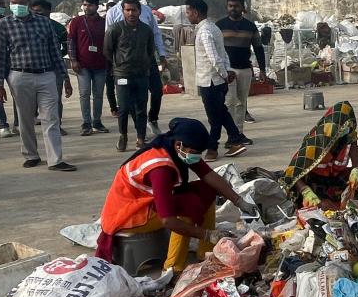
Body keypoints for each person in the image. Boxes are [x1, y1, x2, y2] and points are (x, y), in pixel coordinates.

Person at [94, 117, 258, 275]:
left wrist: (239, 201)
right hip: (129, 214)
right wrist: (206, 234)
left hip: (147, 203)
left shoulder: (178, 149)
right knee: (187, 207)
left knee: (206, 189)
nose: (196, 156)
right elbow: (169, 220)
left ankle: (207, 251)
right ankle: (173, 269)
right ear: (179, 145)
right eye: (194, 152)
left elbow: (209, 176)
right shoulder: (160, 168)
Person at [0, 0, 76, 171]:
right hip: (19, 76)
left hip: (46, 75)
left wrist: (65, 77)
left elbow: (55, 51)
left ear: (28, 4)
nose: (17, 6)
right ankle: (31, 155)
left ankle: (55, 160)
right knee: (25, 119)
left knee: (51, 118)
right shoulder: (4, 25)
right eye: (13, 3)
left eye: (20, 2)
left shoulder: (43, 23)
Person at [185, 0, 247, 161]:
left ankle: (213, 148)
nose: (187, 15)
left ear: (196, 12)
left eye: (188, 12)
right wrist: (226, 71)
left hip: (210, 80)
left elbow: (214, 57)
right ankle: (235, 140)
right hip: (216, 79)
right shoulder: (213, 28)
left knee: (215, 117)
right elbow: (223, 53)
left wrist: (225, 74)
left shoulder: (205, 31)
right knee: (221, 112)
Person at [105, 0, 168, 135]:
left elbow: (155, 33)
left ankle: (152, 118)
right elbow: (108, 41)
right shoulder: (113, 13)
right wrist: (113, 64)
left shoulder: (146, 11)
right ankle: (139, 131)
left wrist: (161, 54)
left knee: (157, 91)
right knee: (131, 100)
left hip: (147, 59)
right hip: (124, 64)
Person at [280, 101, 358, 209]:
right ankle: (321, 201)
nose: (346, 131)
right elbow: (292, 173)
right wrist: (305, 191)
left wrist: (356, 171)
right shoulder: (317, 140)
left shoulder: (348, 137)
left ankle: (337, 199)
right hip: (314, 180)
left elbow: (357, 160)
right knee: (319, 203)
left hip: (333, 178)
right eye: (343, 128)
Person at [104, 0, 155, 151]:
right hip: (122, 74)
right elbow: (107, 50)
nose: (131, 13)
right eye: (128, 10)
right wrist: (116, 66)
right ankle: (123, 135)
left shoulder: (146, 30)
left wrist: (145, 65)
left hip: (141, 75)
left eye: (134, 10)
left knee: (141, 107)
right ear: (123, 11)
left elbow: (150, 50)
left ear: (139, 11)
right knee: (124, 108)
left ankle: (141, 138)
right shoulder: (115, 29)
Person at [216, 0, 266, 144]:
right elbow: (215, 49)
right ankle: (231, 135)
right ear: (227, 7)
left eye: (236, 6)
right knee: (229, 102)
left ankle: (239, 133)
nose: (233, 9)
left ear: (243, 8)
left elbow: (258, 48)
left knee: (241, 103)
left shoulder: (250, 26)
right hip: (227, 70)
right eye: (230, 6)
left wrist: (262, 70)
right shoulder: (220, 26)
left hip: (244, 69)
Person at [68, 0, 109, 135]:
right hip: (82, 65)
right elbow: (71, 42)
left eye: (90, 5)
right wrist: (73, 60)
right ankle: (86, 123)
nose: (87, 7)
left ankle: (97, 121)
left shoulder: (104, 22)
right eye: (84, 4)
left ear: (97, 6)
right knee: (84, 94)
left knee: (98, 95)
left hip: (100, 65)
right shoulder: (77, 22)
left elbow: (109, 43)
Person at [30, 0, 72, 135]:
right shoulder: (29, 27)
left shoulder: (58, 28)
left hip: (54, 68)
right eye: (34, 12)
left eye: (40, 12)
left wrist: (55, 55)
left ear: (49, 11)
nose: (36, 15)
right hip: (34, 68)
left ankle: (57, 125)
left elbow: (66, 47)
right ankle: (27, 125)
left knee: (55, 98)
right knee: (31, 100)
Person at [0, 0, 19, 138]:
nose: (4, 6)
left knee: (18, 95)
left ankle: (18, 124)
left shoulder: (6, 21)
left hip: (10, 63)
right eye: (1, 4)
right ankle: (3, 125)